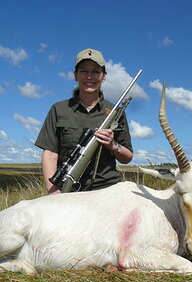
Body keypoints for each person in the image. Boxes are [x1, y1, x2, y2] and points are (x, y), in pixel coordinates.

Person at [35, 48, 133, 194]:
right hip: (67, 191)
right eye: (84, 71)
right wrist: (53, 191)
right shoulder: (59, 109)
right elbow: (50, 153)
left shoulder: (115, 112)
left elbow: (127, 157)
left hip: (108, 190)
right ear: (75, 75)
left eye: (95, 71)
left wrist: (113, 145)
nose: (89, 77)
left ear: (104, 76)